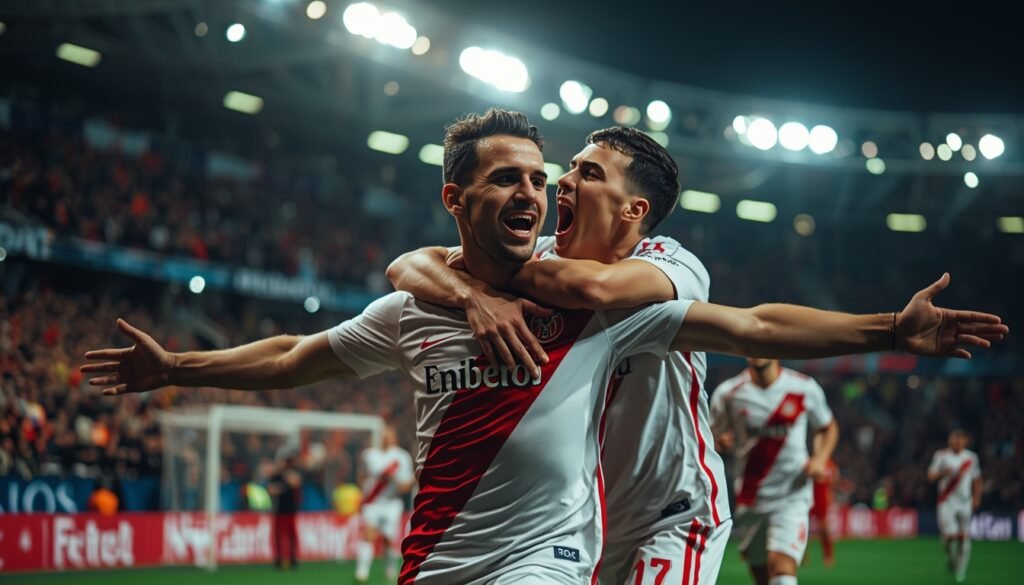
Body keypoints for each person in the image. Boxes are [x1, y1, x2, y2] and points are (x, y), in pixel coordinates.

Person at [82, 109, 1006, 585]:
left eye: (570, 175)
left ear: (634, 210)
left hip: (663, 514)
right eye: (528, 178)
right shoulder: (436, 295)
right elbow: (300, 352)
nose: (553, 187)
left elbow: (753, 326)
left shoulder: (650, 276)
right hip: (495, 540)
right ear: (458, 200)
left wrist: (890, 328)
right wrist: (177, 367)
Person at [387, 126, 731, 584]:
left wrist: (496, 278)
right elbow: (410, 265)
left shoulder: (669, 263)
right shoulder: (544, 257)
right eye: (570, 167)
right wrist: (473, 293)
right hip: (590, 524)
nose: (563, 180)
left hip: (669, 516)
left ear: (633, 209)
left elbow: (594, 287)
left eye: (588, 173)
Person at [710, 359, 837, 585]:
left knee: (781, 568)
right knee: (763, 577)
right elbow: (709, 438)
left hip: (792, 495)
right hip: (751, 499)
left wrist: (820, 458)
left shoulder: (803, 387)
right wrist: (720, 442)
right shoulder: (728, 393)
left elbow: (827, 427)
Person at [355, 425, 414, 583]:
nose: (385, 437)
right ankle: (362, 572)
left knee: (388, 539)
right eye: (383, 434)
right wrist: (363, 489)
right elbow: (361, 473)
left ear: (395, 437)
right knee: (368, 534)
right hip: (372, 502)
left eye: (389, 435)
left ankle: (390, 569)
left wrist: (393, 478)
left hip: (391, 503)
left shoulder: (402, 457)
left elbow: (406, 485)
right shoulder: (369, 455)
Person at [928, 429, 981, 583]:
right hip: (947, 501)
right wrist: (943, 473)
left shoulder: (971, 457)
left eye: (960, 439)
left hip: (965, 502)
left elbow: (977, 479)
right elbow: (930, 476)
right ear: (949, 440)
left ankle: (961, 570)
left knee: (964, 537)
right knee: (949, 537)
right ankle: (951, 558)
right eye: (954, 438)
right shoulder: (941, 456)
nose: (957, 442)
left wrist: (977, 497)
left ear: (966, 441)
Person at [267, 454, 302, 570]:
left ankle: (292, 559)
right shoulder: (276, 476)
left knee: (291, 535)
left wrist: (281, 487)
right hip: (279, 510)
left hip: (291, 510)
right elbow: (271, 490)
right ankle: (279, 559)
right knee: (278, 536)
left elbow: (295, 483)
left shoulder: (293, 474)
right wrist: (285, 487)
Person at [808, 457, 838, 567]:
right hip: (810, 496)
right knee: (804, 526)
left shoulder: (831, 465)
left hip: (821, 497)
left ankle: (828, 555)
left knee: (823, 528)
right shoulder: (811, 461)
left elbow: (833, 482)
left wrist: (830, 495)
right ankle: (802, 555)